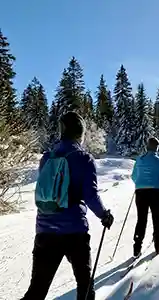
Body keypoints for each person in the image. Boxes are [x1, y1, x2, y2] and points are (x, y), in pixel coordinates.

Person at [21, 111, 114, 300]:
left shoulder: (47, 157)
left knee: (36, 290)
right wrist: (104, 214)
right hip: (74, 232)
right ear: (80, 132)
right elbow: (90, 195)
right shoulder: (84, 158)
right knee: (85, 286)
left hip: (45, 230)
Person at [131, 137, 159, 258]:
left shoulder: (139, 160)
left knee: (141, 219)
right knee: (157, 218)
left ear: (147, 146)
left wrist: (140, 184)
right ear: (156, 148)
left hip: (141, 193)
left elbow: (133, 176)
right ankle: (158, 245)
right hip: (155, 192)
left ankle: (137, 248)